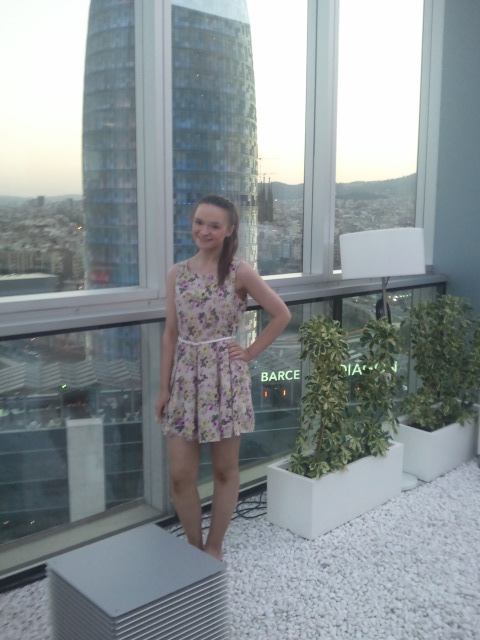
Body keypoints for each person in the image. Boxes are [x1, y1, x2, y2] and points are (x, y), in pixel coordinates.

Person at [155, 194, 291, 561]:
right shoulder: (177, 273)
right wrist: (164, 387)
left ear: (230, 230)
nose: (205, 230)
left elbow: (281, 314)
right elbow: (170, 332)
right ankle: (193, 546)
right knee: (181, 474)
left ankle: (213, 548)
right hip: (184, 376)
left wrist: (248, 352)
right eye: (200, 222)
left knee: (224, 470)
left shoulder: (239, 272)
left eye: (215, 225)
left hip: (223, 377)